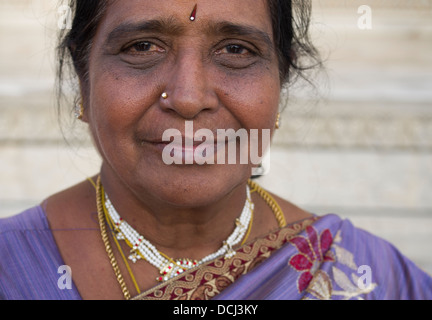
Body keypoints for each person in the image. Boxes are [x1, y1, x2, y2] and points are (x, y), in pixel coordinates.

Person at [1, 0, 431, 300]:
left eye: (236, 50)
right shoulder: (12, 269)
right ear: (83, 79)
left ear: (280, 81)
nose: (188, 98)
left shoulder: (369, 279)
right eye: (143, 46)